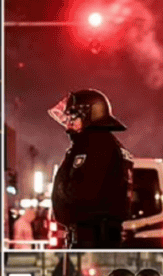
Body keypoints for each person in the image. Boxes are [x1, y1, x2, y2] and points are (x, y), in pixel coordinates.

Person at [49, 89, 133, 248]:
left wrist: (62, 191)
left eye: (73, 117)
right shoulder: (103, 145)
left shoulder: (96, 147)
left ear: (90, 115)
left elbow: (83, 193)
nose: (68, 124)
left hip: (93, 236)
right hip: (95, 234)